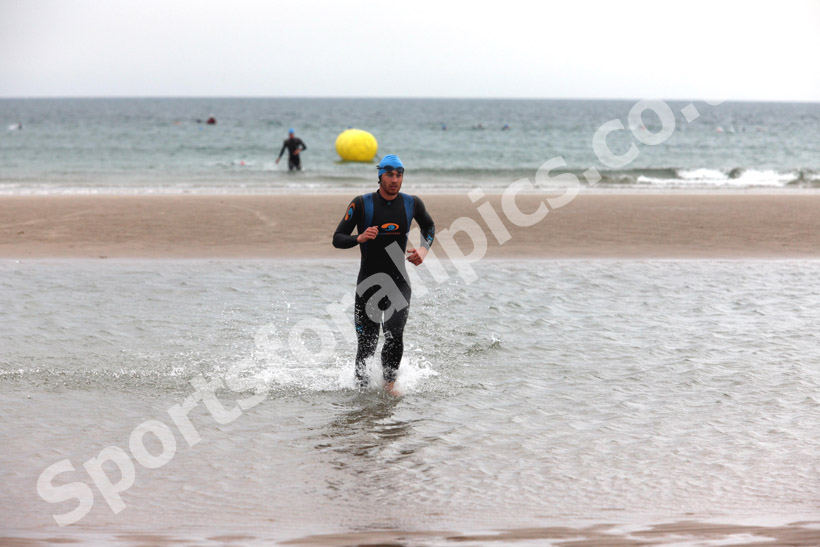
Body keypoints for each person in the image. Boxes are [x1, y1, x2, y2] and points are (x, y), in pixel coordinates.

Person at [332, 154, 435, 395]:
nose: (395, 180)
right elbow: (337, 238)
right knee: (366, 347)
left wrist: (423, 249)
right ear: (380, 177)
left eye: (399, 175)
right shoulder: (361, 204)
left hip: (398, 283)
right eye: (390, 175)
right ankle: (361, 394)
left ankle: (390, 387)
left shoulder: (412, 203)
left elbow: (429, 227)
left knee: (394, 334)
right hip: (367, 284)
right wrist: (359, 237)